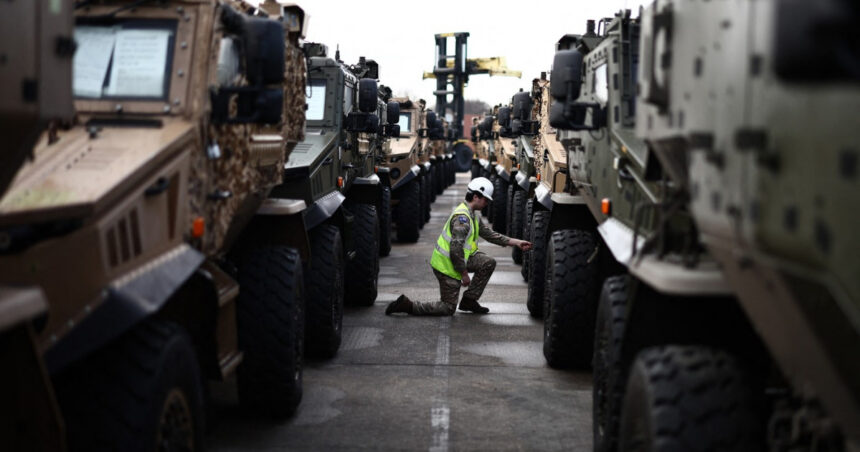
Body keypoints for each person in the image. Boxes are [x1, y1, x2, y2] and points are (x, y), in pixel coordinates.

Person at [386, 177, 532, 316]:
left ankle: (469, 301)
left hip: (458, 259)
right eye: (486, 199)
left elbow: (489, 234)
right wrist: (464, 275)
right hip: (447, 266)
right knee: (447, 308)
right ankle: (408, 305)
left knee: (488, 262)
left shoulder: (472, 214)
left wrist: (516, 242)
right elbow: (455, 250)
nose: (487, 203)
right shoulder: (462, 219)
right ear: (476, 196)